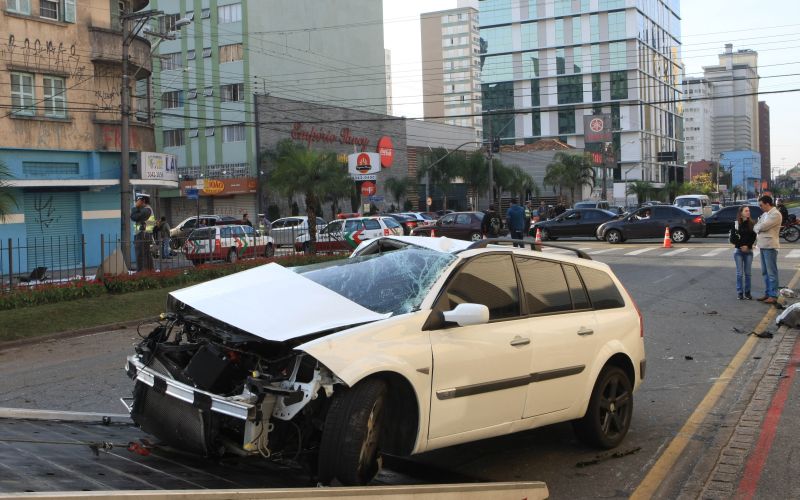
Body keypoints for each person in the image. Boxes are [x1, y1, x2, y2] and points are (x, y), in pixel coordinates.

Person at [754, 195, 782, 304]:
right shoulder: (765, 214)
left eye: (761, 205)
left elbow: (762, 227)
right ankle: (767, 293)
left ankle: (773, 295)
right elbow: (756, 227)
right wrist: (759, 227)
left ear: (767, 204)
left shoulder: (775, 214)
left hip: (770, 246)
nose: (760, 207)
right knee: (765, 272)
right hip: (762, 245)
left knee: (771, 272)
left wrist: (759, 227)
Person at [732, 206, 756, 300]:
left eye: (749, 211)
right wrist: (741, 246)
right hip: (738, 251)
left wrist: (748, 246)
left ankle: (747, 292)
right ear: (741, 213)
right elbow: (733, 238)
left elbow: (753, 237)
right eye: (746, 211)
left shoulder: (752, 223)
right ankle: (740, 292)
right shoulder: (736, 224)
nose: (748, 212)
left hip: (749, 251)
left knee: (748, 273)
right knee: (739, 273)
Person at [130, 193, 155, 272]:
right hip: (143, 234)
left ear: (143, 200)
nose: (137, 202)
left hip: (143, 234)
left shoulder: (146, 210)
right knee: (145, 254)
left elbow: (134, 217)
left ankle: (142, 272)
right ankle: (149, 271)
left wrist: (134, 207)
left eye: (138, 200)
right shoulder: (145, 209)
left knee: (141, 255)